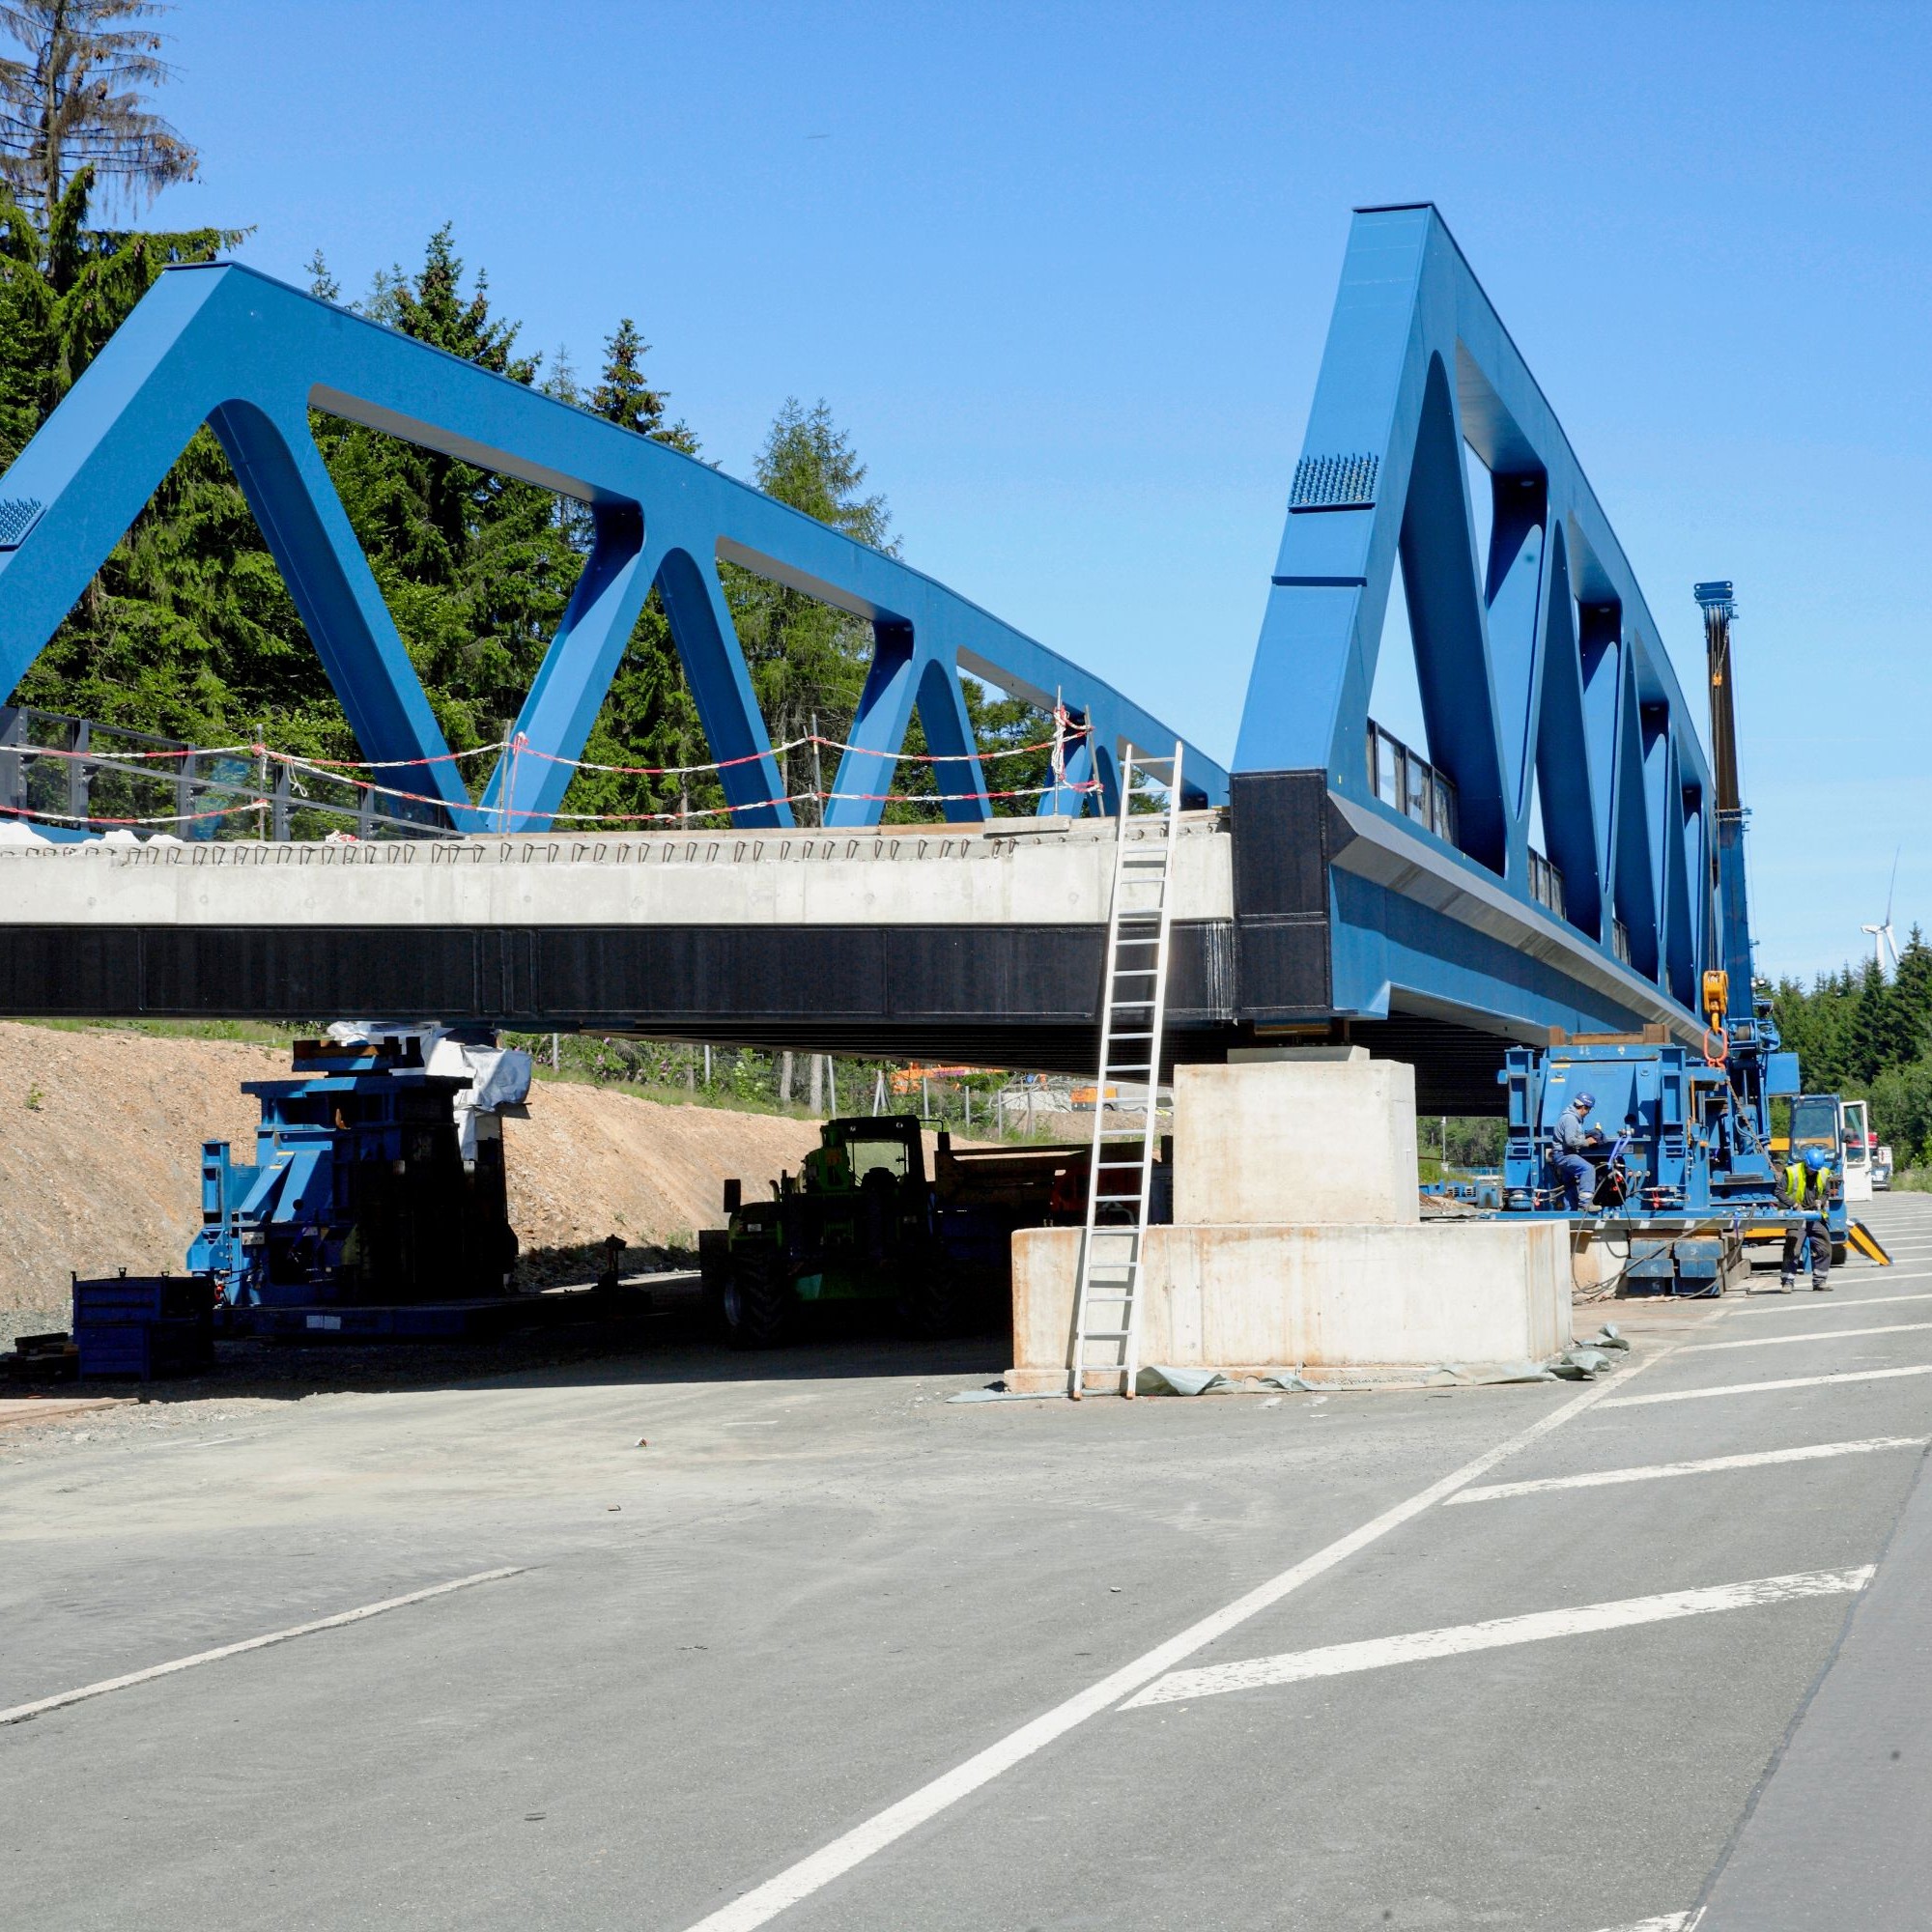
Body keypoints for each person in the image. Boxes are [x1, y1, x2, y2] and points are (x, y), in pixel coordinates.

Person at [1780, 1146, 1835, 1292]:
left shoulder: (1823, 1172)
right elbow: (1778, 1191)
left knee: (1825, 1247)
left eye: (1815, 1170)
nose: (1813, 1172)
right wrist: (1793, 1204)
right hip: (1797, 1217)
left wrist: (1821, 1201)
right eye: (1811, 1169)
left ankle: (1819, 1281)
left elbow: (1826, 1192)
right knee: (1793, 1249)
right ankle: (1787, 1282)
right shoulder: (1792, 1172)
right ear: (1806, 1163)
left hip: (1815, 1216)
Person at [1548, 1091, 1604, 1210]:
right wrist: (1587, 1142)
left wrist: (1585, 1137)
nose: (1588, 1113)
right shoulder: (1570, 1119)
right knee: (1588, 1169)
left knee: (1570, 1183)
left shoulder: (1570, 1118)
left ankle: (1570, 1211)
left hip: (1562, 1154)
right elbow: (1570, 1141)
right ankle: (1585, 1204)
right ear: (1583, 1107)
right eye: (1588, 1109)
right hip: (1565, 1155)